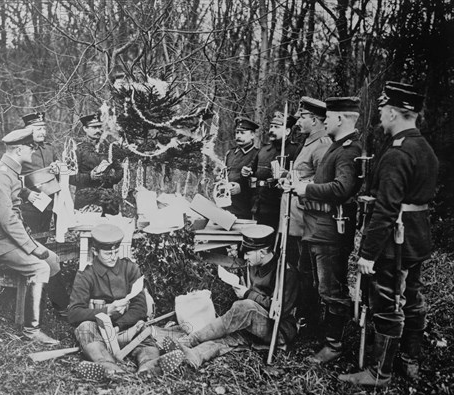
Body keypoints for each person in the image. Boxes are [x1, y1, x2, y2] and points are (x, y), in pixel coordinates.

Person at [339, 82, 438, 387]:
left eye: (382, 111)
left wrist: (367, 253)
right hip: (417, 237)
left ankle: (379, 372)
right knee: (411, 297)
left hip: (396, 239)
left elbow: (387, 208)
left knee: (387, 300)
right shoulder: (423, 147)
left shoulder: (397, 152)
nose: (380, 118)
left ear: (394, 113)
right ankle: (409, 361)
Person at [170, 225, 299, 368]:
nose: (244, 257)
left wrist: (247, 294)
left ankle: (190, 340)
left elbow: (280, 309)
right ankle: (194, 356)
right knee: (226, 340)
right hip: (255, 324)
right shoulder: (254, 263)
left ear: (262, 252)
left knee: (244, 307)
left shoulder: (286, 272)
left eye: (248, 253)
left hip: (278, 329)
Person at [293, 97, 362, 364]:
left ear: (341, 119)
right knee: (324, 287)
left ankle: (334, 345)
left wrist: (306, 188)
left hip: (331, 232)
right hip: (319, 229)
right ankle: (323, 334)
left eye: (329, 116)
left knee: (332, 290)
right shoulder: (336, 147)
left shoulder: (347, 150)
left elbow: (343, 189)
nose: (326, 121)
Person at [0, 127, 61, 344]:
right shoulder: (1, 174)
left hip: (8, 237)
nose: (33, 152)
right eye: (31, 148)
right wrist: (32, 247)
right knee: (40, 266)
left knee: (52, 260)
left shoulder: (10, 171)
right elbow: (8, 220)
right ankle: (31, 331)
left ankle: (38, 314)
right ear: (19, 149)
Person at [68, 224, 182, 375]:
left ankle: (150, 366)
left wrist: (118, 327)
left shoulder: (130, 268)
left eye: (116, 251)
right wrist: (107, 311)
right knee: (85, 328)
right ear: (94, 252)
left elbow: (140, 307)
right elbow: (74, 313)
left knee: (142, 331)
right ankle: (107, 367)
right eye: (108, 253)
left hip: (125, 329)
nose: (114, 257)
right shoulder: (86, 275)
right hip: (98, 333)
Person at [282, 97, 332, 328]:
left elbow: (324, 182)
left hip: (307, 220)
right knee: (300, 269)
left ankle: (308, 319)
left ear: (315, 119)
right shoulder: (309, 142)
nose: (298, 121)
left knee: (308, 273)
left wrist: (301, 184)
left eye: (302, 117)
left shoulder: (322, 144)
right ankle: (301, 314)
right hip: (297, 217)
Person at [250, 112, 299, 230]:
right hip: (260, 204)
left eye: (276, 127)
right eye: (271, 126)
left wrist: (285, 174)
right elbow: (252, 169)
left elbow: (299, 176)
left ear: (287, 131)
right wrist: (247, 172)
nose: (271, 130)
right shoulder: (264, 150)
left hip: (280, 205)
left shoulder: (295, 150)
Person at [72, 112, 123, 215]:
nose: (98, 130)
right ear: (85, 129)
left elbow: (119, 170)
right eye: (93, 127)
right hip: (86, 199)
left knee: (111, 228)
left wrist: (111, 178)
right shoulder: (77, 149)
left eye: (99, 127)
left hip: (109, 200)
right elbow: (70, 177)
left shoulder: (109, 147)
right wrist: (89, 176)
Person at [19, 112, 59, 238]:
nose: (42, 132)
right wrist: (27, 194)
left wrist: (58, 167)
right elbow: (12, 177)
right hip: (28, 204)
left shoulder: (49, 149)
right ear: (27, 130)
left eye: (44, 128)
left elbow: (59, 170)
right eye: (38, 129)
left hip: (48, 204)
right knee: (30, 240)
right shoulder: (21, 150)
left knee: (43, 239)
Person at [223, 116, 259, 219]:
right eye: (237, 133)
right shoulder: (230, 153)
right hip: (225, 204)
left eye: (242, 133)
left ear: (252, 135)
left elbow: (258, 180)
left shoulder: (257, 154)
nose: (238, 136)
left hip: (243, 207)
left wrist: (242, 188)